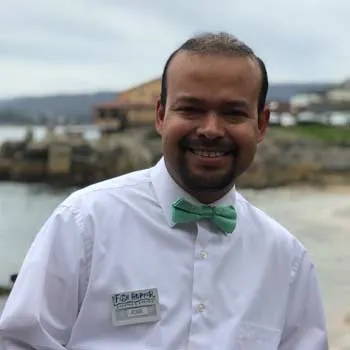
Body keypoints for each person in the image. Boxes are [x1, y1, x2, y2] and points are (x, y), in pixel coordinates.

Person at [0, 32, 328, 349]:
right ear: (160, 115)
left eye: (233, 113)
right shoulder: (85, 223)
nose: (211, 130)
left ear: (261, 124)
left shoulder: (287, 260)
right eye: (191, 109)